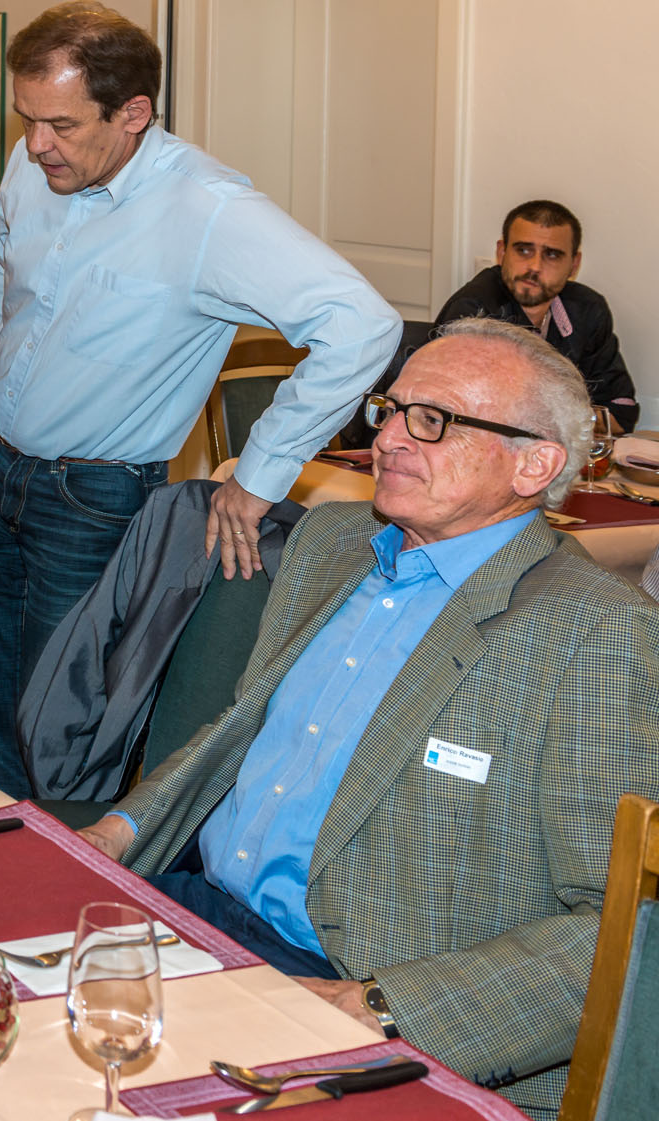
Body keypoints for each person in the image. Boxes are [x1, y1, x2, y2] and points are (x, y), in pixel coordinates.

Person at [77, 319, 659, 1118]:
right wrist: (118, 831)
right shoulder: (335, 541)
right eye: (390, 409)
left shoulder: (596, 633)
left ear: (535, 464)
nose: (387, 438)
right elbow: (243, 726)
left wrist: (376, 1007)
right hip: (199, 909)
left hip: (361, 987)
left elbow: (623, 929)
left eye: (434, 419)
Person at [0, 1, 401, 799]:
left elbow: (362, 324)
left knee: (65, 732)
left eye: (61, 125)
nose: (36, 144)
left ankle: (67, 869)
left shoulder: (206, 208)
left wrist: (260, 474)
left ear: (134, 113)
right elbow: (4, 272)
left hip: (94, 502)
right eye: (26, 119)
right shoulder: (31, 162)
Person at [434, 199, 637, 431]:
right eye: (523, 250)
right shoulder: (475, 311)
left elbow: (621, 413)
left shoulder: (587, 309)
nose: (535, 266)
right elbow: (472, 419)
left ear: (574, 265)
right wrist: (579, 417)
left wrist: (553, 417)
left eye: (552, 255)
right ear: (502, 252)